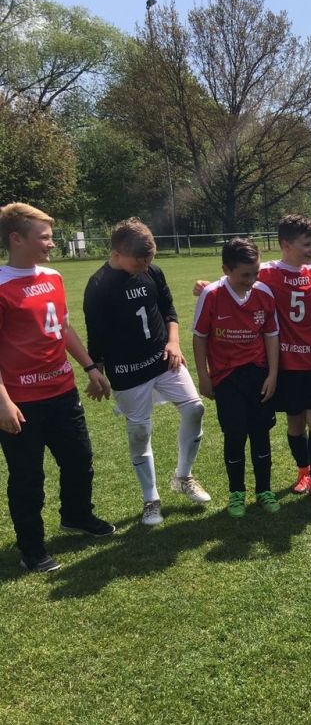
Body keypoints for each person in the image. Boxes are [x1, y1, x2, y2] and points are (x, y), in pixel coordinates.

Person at [0, 202, 115, 572]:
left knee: (79, 459)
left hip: (62, 391)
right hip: (21, 401)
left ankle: (76, 516)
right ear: (16, 239)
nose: (52, 243)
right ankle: (32, 549)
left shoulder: (53, 276)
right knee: (28, 478)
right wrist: (3, 402)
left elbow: (62, 328)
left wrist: (90, 367)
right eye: (45, 237)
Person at [84, 218, 208, 527]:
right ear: (117, 253)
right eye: (139, 262)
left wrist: (174, 343)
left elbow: (169, 311)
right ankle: (151, 499)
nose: (145, 267)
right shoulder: (98, 285)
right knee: (139, 432)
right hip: (126, 370)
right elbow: (96, 336)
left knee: (195, 409)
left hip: (163, 359)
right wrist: (96, 373)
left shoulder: (153, 271)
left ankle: (183, 477)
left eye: (149, 260)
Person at [192, 238, 280, 518]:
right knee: (235, 434)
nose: (252, 280)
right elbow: (200, 337)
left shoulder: (263, 292)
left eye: (256, 273)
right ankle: (236, 493)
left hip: (258, 375)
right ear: (226, 270)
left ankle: (264, 490)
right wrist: (204, 376)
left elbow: (271, 335)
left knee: (260, 434)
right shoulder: (212, 294)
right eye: (245, 275)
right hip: (226, 378)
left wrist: (273, 374)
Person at [255, 215, 311, 505]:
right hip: (287, 364)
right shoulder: (266, 273)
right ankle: (303, 471)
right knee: (295, 422)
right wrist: (206, 285)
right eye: (307, 244)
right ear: (285, 245)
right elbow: (236, 280)